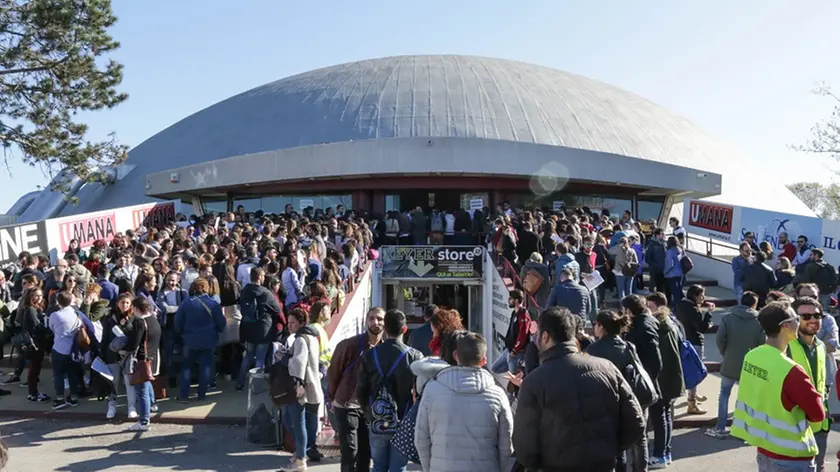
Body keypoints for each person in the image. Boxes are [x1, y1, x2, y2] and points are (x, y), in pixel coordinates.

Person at [513, 307, 645, 472]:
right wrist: (612, 450)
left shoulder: (534, 382)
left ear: (545, 336)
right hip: (603, 464)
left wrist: (536, 465)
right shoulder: (607, 368)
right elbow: (636, 421)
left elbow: (524, 444)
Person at [731, 301, 825, 472]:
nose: (799, 322)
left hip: (765, 450)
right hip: (792, 456)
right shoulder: (791, 370)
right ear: (786, 326)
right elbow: (818, 414)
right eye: (797, 318)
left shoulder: (752, 356)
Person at [415, 332, 514, 472]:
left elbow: (421, 440)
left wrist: (429, 468)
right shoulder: (497, 395)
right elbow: (506, 445)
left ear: (456, 356)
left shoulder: (432, 390)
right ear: (484, 360)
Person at [356, 309, 423, 472]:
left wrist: (369, 414)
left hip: (378, 420)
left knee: (378, 466)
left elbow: (361, 391)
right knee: (398, 467)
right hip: (404, 420)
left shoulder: (369, 355)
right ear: (404, 329)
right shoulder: (415, 356)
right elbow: (421, 392)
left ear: (384, 328)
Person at [327, 307, 385, 472]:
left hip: (369, 408)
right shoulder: (350, 345)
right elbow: (334, 373)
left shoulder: (385, 348)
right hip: (347, 405)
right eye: (372, 318)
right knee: (350, 452)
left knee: (365, 453)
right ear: (366, 321)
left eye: (380, 319)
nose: (376, 322)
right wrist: (333, 397)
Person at [706, 291, 766, 439]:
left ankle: (720, 427)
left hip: (730, 361)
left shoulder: (728, 318)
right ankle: (744, 428)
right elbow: (762, 343)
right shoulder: (759, 321)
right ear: (754, 304)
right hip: (750, 364)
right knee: (747, 397)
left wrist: (725, 353)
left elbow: (720, 339)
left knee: (724, 394)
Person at [787, 297, 831, 471]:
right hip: (795, 428)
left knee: (818, 467)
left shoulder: (820, 346)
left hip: (820, 424)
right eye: (806, 316)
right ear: (795, 320)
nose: (813, 319)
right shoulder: (785, 347)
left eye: (817, 315)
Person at [622, 294, 661, 470]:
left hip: (641, 384)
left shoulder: (644, 327)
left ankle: (639, 467)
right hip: (641, 381)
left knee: (639, 435)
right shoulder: (643, 323)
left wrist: (646, 380)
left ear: (629, 311)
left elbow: (655, 360)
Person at [283, 307, 324, 471]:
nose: (289, 326)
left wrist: (285, 358)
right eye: (288, 323)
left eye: (293, 323)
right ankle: (303, 452)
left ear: (301, 323)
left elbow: (299, 363)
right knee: (305, 423)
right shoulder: (313, 337)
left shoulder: (300, 340)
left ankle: (300, 459)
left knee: (295, 422)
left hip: (300, 387)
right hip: (313, 386)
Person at [174, 278, 226, 402]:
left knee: (186, 367)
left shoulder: (186, 303)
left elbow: (177, 323)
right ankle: (202, 394)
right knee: (206, 367)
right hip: (209, 339)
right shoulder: (213, 303)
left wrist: (182, 333)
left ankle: (184, 396)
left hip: (189, 340)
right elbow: (222, 323)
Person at [648, 303, 685, 469]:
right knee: (667, 415)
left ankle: (659, 455)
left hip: (662, 380)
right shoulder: (672, 326)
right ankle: (666, 452)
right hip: (673, 378)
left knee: (659, 418)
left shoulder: (658, 331)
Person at [236, 267, 282, 390]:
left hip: (248, 327)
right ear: (260, 277)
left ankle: (240, 382)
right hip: (263, 329)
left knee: (248, 356)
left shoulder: (244, 291)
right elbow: (277, 310)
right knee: (260, 358)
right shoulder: (265, 293)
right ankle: (256, 386)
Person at [675, 285, 713, 414]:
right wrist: (708, 314)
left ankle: (693, 394)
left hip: (683, 341)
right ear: (695, 296)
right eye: (701, 295)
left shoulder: (680, 305)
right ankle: (692, 403)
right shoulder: (693, 309)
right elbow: (702, 327)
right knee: (696, 371)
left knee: (688, 370)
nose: (703, 298)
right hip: (695, 342)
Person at [49, 291, 83, 410]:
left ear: (58, 301)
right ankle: (73, 398)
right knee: (72, 374)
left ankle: (60, 398)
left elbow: (51, 328)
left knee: (58, 375)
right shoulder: (76, 313)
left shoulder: (55, 315)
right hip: (73, 349)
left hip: (59, 348)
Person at [490, 289, 530, 375]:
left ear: (516, 300)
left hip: (516, 353)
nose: (508, 301)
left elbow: (523, 334)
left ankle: (521, 372)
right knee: (494, 368)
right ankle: (520, 370)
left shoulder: (523, 314)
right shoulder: (514, 313)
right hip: (508, 350)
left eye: (510, 299)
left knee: (514, 379)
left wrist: (515, 350)